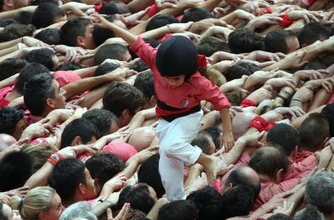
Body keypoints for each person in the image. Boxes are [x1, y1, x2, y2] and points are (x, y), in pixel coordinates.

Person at [94, 15, 234, 201]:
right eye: (167, 77)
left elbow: (222, 102)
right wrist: (110, 26)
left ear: (188, 72)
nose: (170, 82)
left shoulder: (198, 82)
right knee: (167, 171)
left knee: (170, 146)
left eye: (176, 78)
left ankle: (207, 160)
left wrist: (227, 132)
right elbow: (136, 41)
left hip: (188, 117)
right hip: (165, 119)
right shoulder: (155, 62)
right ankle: (177, 202)